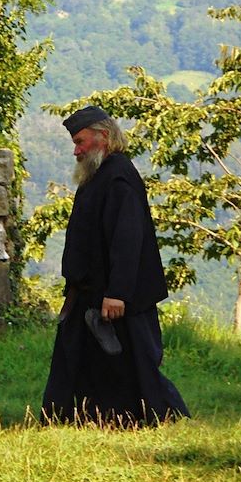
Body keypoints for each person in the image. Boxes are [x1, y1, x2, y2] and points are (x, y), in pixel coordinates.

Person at [41, 105, 190, 427]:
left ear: (103, 137)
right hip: (91, 292)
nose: (76, 151)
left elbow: (128, 239)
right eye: (75, 144)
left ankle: (159, 418)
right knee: (81, 361)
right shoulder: (99, 175)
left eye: (80, 142)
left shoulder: (118, 176)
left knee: (134, 364)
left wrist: (117, 293)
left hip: (117, 296)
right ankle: (84, 420)